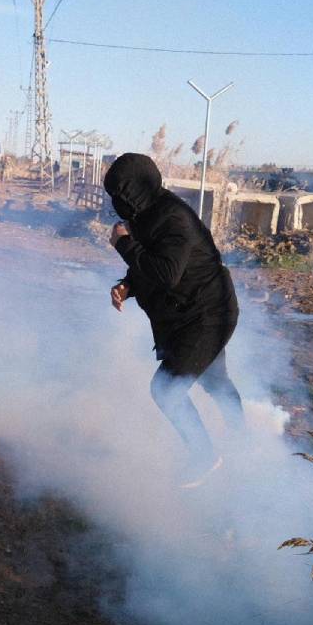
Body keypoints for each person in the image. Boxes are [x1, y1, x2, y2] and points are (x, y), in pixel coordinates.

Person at [103, 153, 244, 487]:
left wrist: (123, 244)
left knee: (166, 389)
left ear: (136, 191)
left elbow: (166, 274)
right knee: (216, 382)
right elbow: (152, 263)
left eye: (120, 195)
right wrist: (128, 286)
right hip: (187, 315)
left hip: (207, 316)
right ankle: (245, 444)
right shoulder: (146, 214)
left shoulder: (173, 218)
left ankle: (206, 456)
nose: (117, 204)